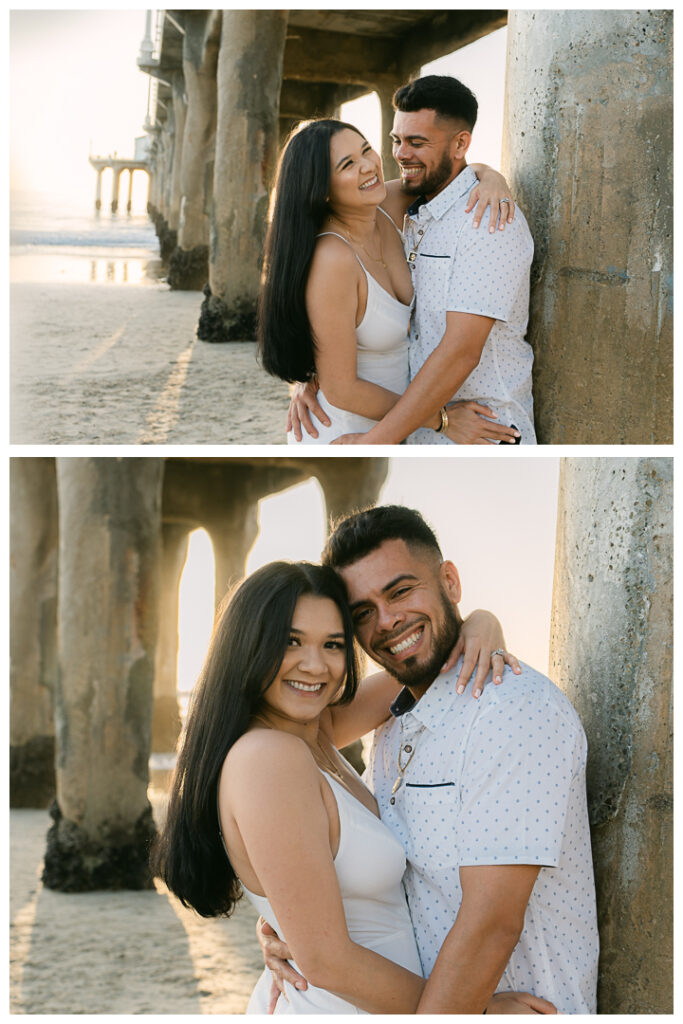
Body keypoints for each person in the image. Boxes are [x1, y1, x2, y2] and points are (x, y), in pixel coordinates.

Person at [152, 560, 554, 1014]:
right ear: (248, 646)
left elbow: (427, 669)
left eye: (334, 644)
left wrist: (482, 622)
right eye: (290, 641)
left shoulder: (314, 731)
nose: (315, 664)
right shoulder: (269, 759)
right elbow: (326, 961)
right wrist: (475, 1011)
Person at [259, 506, 599, 1013]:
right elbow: (300, 724)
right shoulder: (395, 721)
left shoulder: (511, 711)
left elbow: (491, 924)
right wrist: (284, 922)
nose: (387, 620)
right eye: (362, 613)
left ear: (450, 581)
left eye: (400, 592)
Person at [289, 76, 537, 446]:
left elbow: (460, 351)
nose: (399, 155)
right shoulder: (397, 214)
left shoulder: (485, 220)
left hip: (484, 429)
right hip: (411, 426)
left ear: (460, 143)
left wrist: (491, 175)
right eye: (396, 140)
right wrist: (310, 373)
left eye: (416, 142)